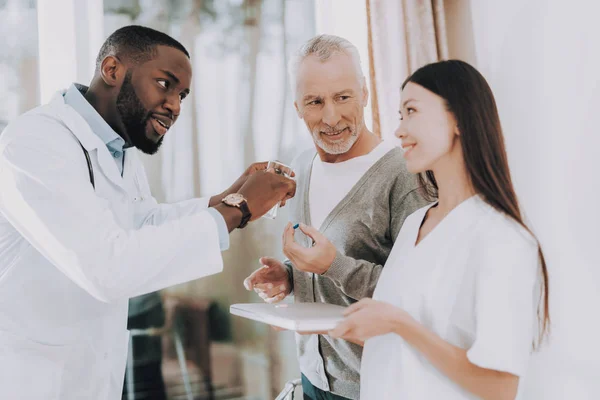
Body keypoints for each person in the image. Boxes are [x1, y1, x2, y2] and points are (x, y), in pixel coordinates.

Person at [0, 25, 295, 400]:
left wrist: (227, 197)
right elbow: (107, 266)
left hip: (87, 378)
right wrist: (236, 210)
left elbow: (142, 225)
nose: (175, 105)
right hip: (27, 381)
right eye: (164, 83)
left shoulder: (118, 150)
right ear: (112, 70)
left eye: (182, 94)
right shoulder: (36, 142)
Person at [325, 60, 550, 399]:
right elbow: (402, 339)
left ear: (458, 118)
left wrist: (399, 324)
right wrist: (357, 327)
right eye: (400, 116)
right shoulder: (416, 222)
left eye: (411, 111)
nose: (399, 130)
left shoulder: (502, 238)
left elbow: (501, 387)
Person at [243, 35, 425, 400]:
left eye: (343, 97)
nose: (331, 117)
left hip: (373, 387)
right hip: (313, 378)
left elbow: (418, 295)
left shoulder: (404, 175)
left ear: (365, 93)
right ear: (297, 107)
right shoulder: (301, 167)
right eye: (315, 101)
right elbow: (322, 264)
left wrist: (332, 266)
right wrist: (289, 277)